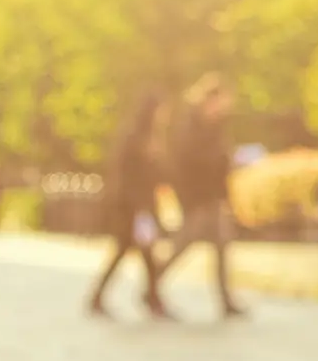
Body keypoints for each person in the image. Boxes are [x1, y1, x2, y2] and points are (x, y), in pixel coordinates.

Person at [161, 74, 247, 319]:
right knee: (183, 245)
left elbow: (220, 167)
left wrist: (226, 197)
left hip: (212, 199)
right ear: (209, 100)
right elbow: (184, 165)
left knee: (221, 246)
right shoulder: (191, 127)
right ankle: (153, 285)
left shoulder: (216, 127)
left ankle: (226, 301)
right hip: (196, 198)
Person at [88, 94, 172, 319]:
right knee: (136, 252)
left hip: (142, 206)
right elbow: (128, 175)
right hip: (133, 207)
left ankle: (149, 298)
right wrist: (139, 206)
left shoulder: (152, 137)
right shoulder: (135, 138)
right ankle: (151, 300)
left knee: (139, 253)